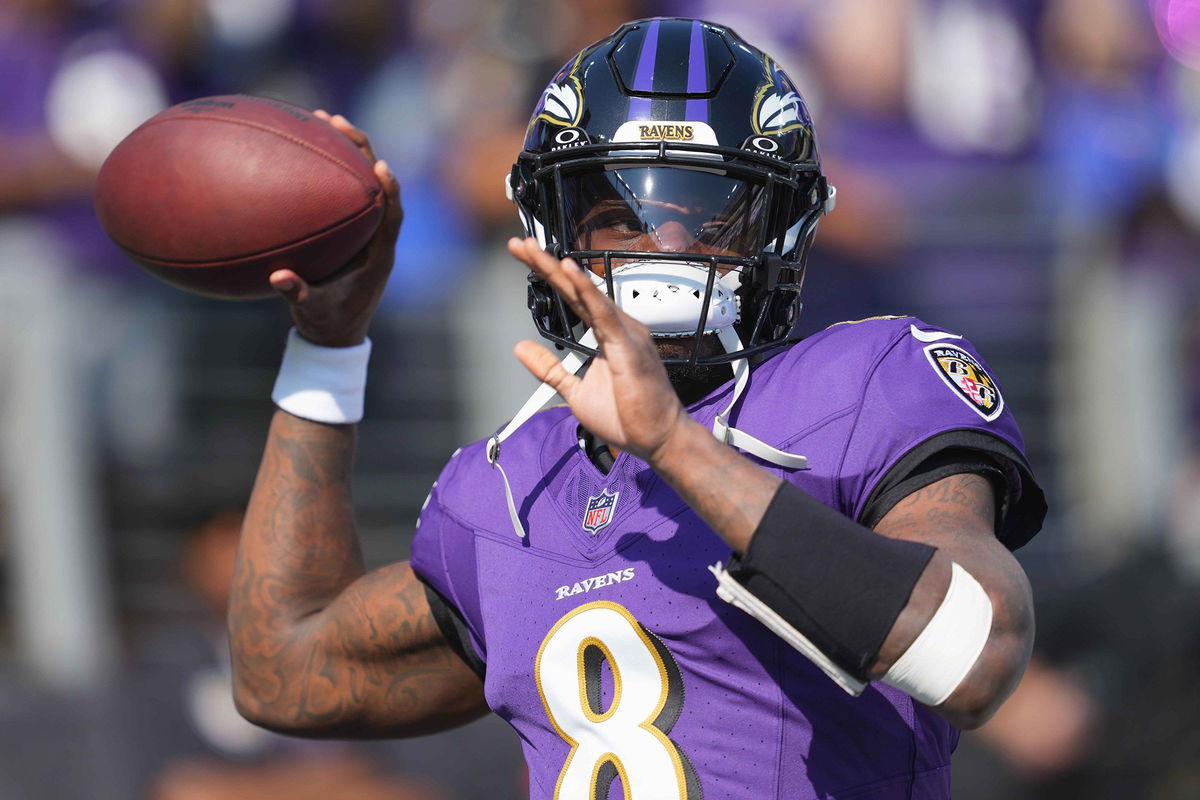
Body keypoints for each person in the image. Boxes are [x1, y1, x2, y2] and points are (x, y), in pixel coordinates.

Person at [229, 18, 1046, 799]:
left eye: (706, 215)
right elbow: (283, 672)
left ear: (782, 232)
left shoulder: (864, 382)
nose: (662, 249)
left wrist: (677, 447)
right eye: (617, 215)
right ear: (550, 226)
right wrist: (328, 347)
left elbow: (973, 656)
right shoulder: (512, 484)